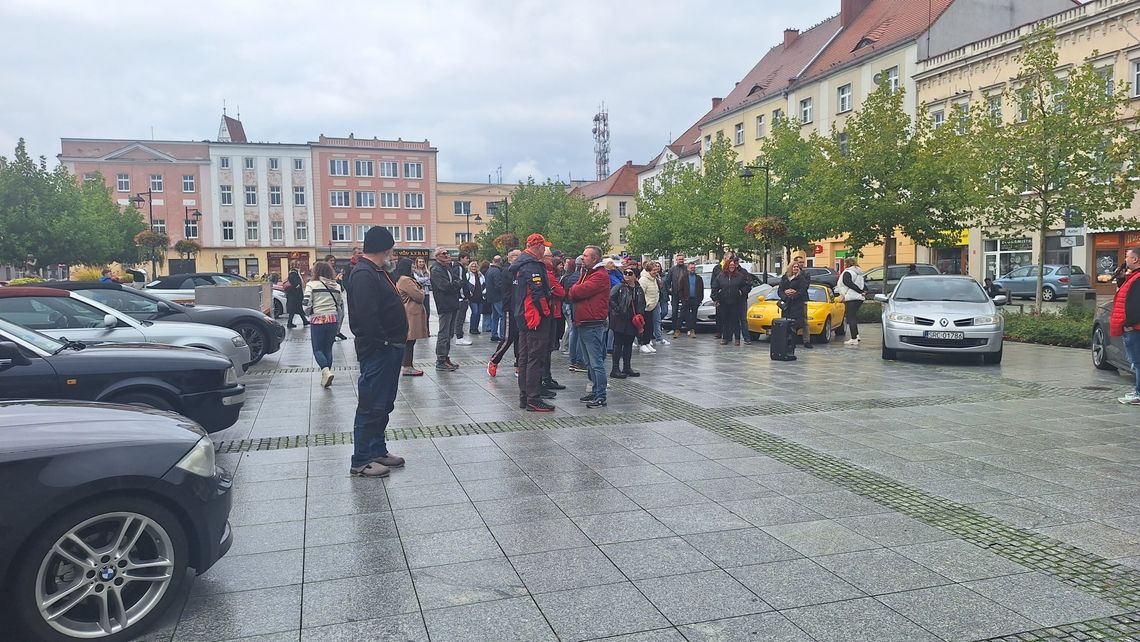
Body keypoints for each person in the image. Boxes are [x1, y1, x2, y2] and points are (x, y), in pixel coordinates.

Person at [346, 226, 407, 477]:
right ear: (384, 248)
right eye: (391, 250)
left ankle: (377, 449)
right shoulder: (363, 274)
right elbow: (365, 316)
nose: (392, 255)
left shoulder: (376, 271)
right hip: (379, 351)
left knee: (383, 404)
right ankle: (361, 459)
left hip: (389, 349)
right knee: (371, 405)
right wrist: (383, 343)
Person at [510, 234, 557, 412]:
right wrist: (546, 313)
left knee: (524, 358)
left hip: (522, 315)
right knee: (535, 358)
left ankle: (525, 397)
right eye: (543, 246)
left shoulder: (520, 264)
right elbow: (537, 293)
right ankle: (533, 398)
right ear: (536, 247)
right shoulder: (532, 265)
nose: (545, 250)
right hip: (534, 317)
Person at [570, 245, 611, 408]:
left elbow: (577, 292)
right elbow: (574, 290)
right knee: (588, 361)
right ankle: (595, 390)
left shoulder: (599, 275)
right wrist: (575, 289)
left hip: (592, 323)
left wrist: (574, 289)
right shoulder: (588, 273)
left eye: (586, 256)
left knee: (596, 362)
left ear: (595, 259)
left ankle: (601, 394)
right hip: (584, 321)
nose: (582, 258)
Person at [304, 261, 343, 388]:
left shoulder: (311, 285)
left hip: (318, 320)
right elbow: (340, 304)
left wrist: (309, 312)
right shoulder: (336, 286)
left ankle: (325, 371)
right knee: (328, 349)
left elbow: (306, 303)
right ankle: (326, 375)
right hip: (332, 319)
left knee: (317, 349)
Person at [1111, 247, 1140, 406]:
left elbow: (1136, 304)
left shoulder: (1138, 278)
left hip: (1135, 328)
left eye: (1127, 256)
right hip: (1133, 327)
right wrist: (1121, 279)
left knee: (1138, 361)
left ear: (1135, 259)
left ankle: (1139, 394)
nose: (1125, 260)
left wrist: (1129, 324)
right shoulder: (1133, 277)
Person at [488, 249, 522, 377]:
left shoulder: (522, 270)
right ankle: (494, 360)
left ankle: (519, 365)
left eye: (519, 256)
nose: (517, 258)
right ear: (509, 258)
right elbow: (507, 291)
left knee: (520, 337)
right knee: (508, 338)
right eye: (514, 256)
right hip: (510, 308)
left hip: (522, 309)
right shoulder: (507, 271)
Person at [609, 266, 646, 378]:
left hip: (632, 320)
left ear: (635, 276)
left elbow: (642, 302)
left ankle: (627, 367)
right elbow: (610, 300)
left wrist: (640, 314)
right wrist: (618, 310)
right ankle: (615, 369)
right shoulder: (619, 287)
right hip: (620, 319)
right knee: (618, 344)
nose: (627, 275)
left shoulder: (638, 288)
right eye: (625, 273)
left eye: (630, 273)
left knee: (628, 344)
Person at [393, 258, 428, 377]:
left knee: (410, 340)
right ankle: (407, 366)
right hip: (410, 313)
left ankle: (408, 365)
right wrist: (422, 291)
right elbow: (419, 296)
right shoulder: (406, 280)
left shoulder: (405, 279)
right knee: (409, 339)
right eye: (412, 266)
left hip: (410, 312)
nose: (414, 269)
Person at [430, 247, 461, 371]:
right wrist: (455, 285)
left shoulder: (447, 267)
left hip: (452, 303)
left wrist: (456, 284)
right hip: (444, 304)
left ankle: (446, 357)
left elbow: (459, 281)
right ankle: (440, 359)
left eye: (447, 253)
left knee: (450, 333)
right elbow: (445, 286)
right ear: (437, 256)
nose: (447, 255)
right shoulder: (436, 269)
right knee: (444, 332)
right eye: (443, 253)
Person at [541, 247, 567, 391]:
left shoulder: (549, 273)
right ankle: (545, 378)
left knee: (549, 348)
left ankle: (547, 377)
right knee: (547, 348)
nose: (552, 259)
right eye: (549, 257)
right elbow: (561, 292)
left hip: (553, 312)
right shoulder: (548, 274)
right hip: (550, 313)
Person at [712, 258, 750, 346]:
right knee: (725, 320)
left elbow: (747, 286)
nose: (732, 267)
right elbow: (714, 288)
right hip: (724, 301)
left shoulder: (740, 276)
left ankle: (737, 339)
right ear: (727, 266)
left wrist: (742, 292)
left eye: (733, 265)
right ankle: (725, 338)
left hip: (736, 301)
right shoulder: (720, 276)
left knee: (735, 320)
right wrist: (716, 298)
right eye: (730, 265)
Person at [779, 262, 812, 350]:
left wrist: (794, 294)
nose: (796, 268)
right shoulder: (785, 277)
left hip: (798, 303)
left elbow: (803, 289)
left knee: (801, 322)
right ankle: (788, 340)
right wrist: (785, 295)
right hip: (787, 303)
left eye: (797, 267)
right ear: (790, 268)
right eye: (794, 267)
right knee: (787, 322)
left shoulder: (801, 278)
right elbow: (780, 290)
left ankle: (803, 341)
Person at [837, 257, 869, 346]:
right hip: (859, 298)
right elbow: (863, 285)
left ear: (847, 264)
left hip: (851, 297)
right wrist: (864, 291)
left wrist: (859, 291)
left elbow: (848, 283)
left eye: (845, 264)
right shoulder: (858, 273)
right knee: (853, 317)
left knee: (850, 318)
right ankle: (857, 335)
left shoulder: (848, 272)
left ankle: (853, 338)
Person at [323, 254, 348, 341]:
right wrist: (337, 279)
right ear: (326, 261)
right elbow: (328, 283)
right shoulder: (325, 271)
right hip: (330, 296)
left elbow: (339, 283)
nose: (333, 262)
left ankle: (337, 331)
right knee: (334, 315)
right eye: (331, 260)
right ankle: (332, 333)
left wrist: (341, 279)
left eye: (334, 260)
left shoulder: (335, 269)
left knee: (341, 315)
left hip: (338, 294)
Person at [639, 261, 660, 354]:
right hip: (645, 307)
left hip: (652, 306)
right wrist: (646, 304)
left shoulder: (653, 278)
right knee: (644, 326)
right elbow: (641, 293)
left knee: (650, 327)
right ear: (648, 270)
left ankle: (647, 342)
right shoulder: (643, 279)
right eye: (654, 270)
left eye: (656, 269)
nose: (656, 271)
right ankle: (642, 344)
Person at [453, 253, 473, 345]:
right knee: (460, 318)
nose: (468, 260)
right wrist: (463, 296)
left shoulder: (458, 267)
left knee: (460, 318)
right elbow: (461, 283)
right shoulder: (459, 268)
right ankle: (459, 337)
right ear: (461, 258)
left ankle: (458, 335)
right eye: (466, 258)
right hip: (461, 298)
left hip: (460, 297)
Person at [681, 262, 704, 338]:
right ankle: (688, 329)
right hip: (686, 299)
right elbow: (680, 289)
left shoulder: (698, 278)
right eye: (691, 268)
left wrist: (700, 299)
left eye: (694, 268)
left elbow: (701, 290)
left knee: (694, 315)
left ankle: (693, 330)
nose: (692, 269)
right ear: (688, 269)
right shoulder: (684, 278)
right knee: (687, 315)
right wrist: (683, 299)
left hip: (695, 299)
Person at [485, 256, 505, 341]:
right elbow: (498, 285)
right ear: (500, 261)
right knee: (502, 316)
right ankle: (502, 335)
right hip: (498, 297)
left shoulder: (489, 270)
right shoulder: (496, 271)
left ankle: (494, 334)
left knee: (495, 316)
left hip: (491, 297)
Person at [669, 254, 688, 338]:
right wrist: (669, 290)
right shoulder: (672, 269)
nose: (681, 260)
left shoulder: (687, 269)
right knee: (674, 311)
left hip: (684, 293)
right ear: (676, 260)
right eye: (679, 259)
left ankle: (684, 328)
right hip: (675, 293)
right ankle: (674, 328)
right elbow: (667, 280)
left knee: (685, 310)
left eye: (682, 259)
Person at [465, 260, 486, 337]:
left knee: (479, 313)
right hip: (472, 298)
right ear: (470, 267)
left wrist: (484, 292)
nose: (474, 268)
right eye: (472, 266)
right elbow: (466, 285)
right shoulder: (468, 275)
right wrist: (468, 294)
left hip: (480, 297)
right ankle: (472, 328)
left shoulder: (481, 276)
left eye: (475, 266)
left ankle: (476, 328)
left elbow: (484, 284)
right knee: (475, 312)